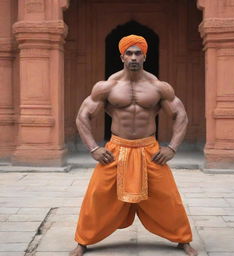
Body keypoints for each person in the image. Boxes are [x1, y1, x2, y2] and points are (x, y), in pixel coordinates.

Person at [70, 35, 198, 256]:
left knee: (168, 197)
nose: (133, 57)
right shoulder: (106, 86)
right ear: (121, 56)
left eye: (138, 53)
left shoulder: (159, 87)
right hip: (116, 149)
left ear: (145, 56)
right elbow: (83, 116)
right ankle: (83, 241)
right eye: (129, 53)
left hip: (149, 149)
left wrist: (172, 147)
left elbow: (180, 115)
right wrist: (94, 148)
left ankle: (182, 239)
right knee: (97, 196)